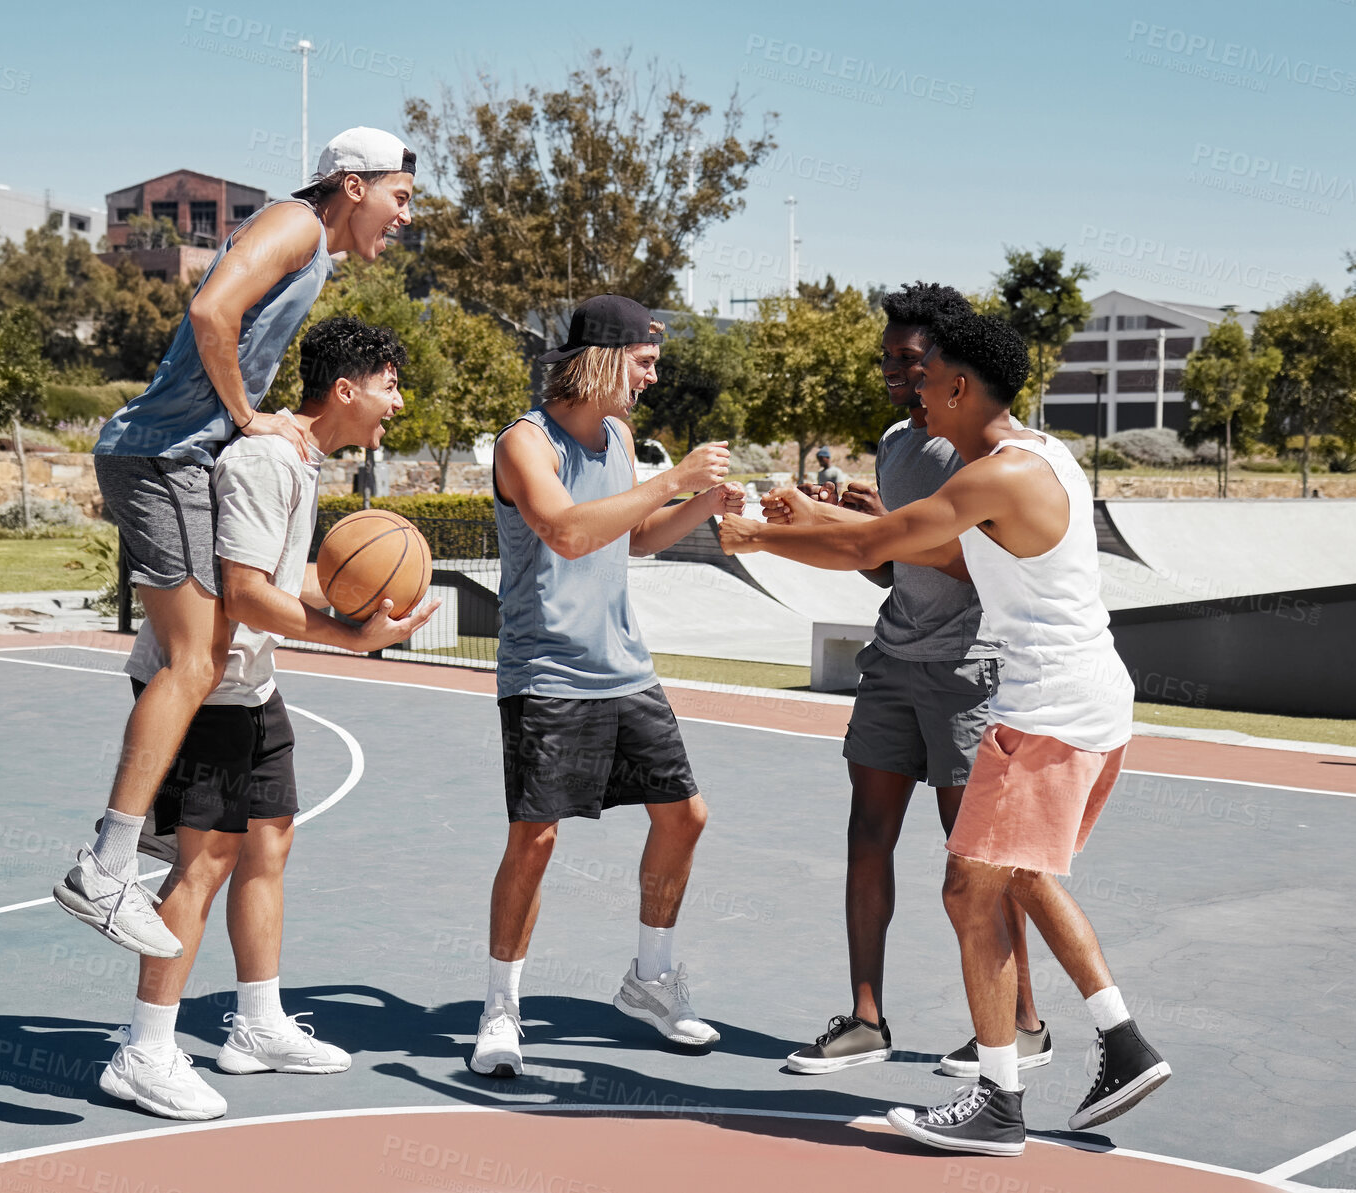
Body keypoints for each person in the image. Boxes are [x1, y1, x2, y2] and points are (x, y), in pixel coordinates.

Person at [720, 310, 1169, 1156]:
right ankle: (1122, 1040)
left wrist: (759, 535)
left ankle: (1000, 1096)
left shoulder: (996, 478)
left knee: (970, 890)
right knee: (1021, 877)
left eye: (927, 379)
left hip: (1045, 714)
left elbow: (882, 545)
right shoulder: (1041, 455)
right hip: (1086, 703)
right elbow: (900, 538)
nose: (913, 388)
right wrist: (826, 515)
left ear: (961, 387)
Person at [57, 129, 417, 959]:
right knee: (194, 660)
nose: (404, 217)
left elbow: (233, 335)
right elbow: (209, 311)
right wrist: (248, 419)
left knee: (205, 654)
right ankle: (108, 861)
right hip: (158, 453)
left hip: (170, 451)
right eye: (400, 197)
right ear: (353, 186)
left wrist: (251, 415)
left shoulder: (310, 251)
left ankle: (143, 832)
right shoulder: (295, 226)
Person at [99, 316, 437, 1120]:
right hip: (209, 692)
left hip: (252, 686)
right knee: (204, 862)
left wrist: (358, 604)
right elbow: (246, 593)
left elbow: (283, 583)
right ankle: (144, 1048)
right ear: (346, 388)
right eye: (390, 383)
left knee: (268, 844)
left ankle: (256, 1023)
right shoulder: (261, 461)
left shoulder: (300, 462)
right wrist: (352, 636)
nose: (399, 401)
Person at [471, 294, 745, 1079]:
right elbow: (565, 528)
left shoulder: (621, 437)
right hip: (548, 670)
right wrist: (674, 480)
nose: (654, 375)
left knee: (685, 816)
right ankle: (500, 1007)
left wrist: (699, 502)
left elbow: (635, 537)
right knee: (536, 838)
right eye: (646, 360)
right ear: (602, 358)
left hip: (625, 666)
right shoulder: (525, 443)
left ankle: (650, 980)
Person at [781, 284, 1049, 1081]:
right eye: (888, 357)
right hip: (895, 658)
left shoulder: (982, 452)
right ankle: (867, 1019)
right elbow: (895, 562)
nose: (894, 370)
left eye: (910, 359)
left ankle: (1024, 1024)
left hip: (970, 669)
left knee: (980, 861)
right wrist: (854, 519)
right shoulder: (901, 440)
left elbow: (972, 560)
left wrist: (834, 529)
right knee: (868, 835)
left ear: (949, 367)